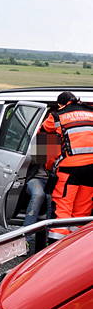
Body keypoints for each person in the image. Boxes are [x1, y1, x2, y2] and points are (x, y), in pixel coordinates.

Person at [40, 91, 93, 241]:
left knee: (63, 208)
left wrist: (47, 165)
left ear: (60, 104)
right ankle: (76, 245)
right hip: (91, 169)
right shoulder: (91, 112)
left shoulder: (57, 116)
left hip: (69, 170)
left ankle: (56, 243)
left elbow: (43, 137)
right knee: (82, 211)